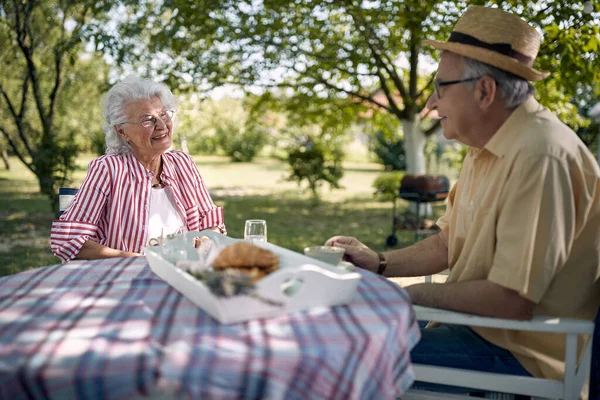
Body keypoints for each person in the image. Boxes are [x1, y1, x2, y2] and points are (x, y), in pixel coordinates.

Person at [327, 6, 600, 395]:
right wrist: (381, 263)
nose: (432, 104)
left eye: (441, 87)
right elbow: (446, 243)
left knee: (345, 347)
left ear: (484, 91)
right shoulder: (487, 147)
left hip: (522, 354)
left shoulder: (541, 156)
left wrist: (415, 295)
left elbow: (510, 302)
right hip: (476, 330)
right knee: (340, 322)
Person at [51, 77, 226, 262]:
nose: (161, 125)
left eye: (164, 115)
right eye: (147, 120)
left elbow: (211, 221)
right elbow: (70, 241)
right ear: (122, 132)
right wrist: (142, 260)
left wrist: (207, 240)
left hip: (184, 275)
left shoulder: (183, 163)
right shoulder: (108, 169)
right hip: (129, 279)